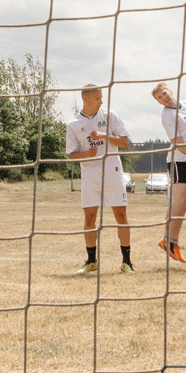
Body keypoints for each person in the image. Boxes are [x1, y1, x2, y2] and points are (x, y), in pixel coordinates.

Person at [66, 83, 133, 274]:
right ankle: (91, 261)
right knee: (89, 218)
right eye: (98, 98)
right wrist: (87, 154)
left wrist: (105, 136)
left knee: (121, 215)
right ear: (86, 98)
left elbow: (125, 142)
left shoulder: (110, 115)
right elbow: (72, 155)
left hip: (112, 172)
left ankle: (127, 261)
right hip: (90, 177)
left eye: (102, 98)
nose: (101, 101)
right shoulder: (73, 124)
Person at [151, 82, 186, 263]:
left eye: (164, 93)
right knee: (179, 202)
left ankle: (172, 241)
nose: (164, 98)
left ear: (170, 91)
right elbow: (177, 141)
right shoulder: (167, 115)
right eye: (159, 97)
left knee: (183, 203)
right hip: (179, 159)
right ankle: (168, 240)